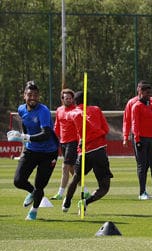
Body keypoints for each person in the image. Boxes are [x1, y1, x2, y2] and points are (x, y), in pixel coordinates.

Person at [10, 81, 59, 221]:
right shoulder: (21, 109)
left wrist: (25, 137)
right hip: (31, 150)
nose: (33, 97)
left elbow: (46, 134)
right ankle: (33, 192)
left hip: (49, 153)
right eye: (29, 94)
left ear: (38, 97)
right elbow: (25, 125)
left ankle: (34, 211)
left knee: (40, 184)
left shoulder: (43, 111)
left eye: (35, 95)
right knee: (18, 181)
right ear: (24, 95)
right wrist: (24, 140)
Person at [62, 91, 114, 215]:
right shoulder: (96, 110)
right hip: (98, 150)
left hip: (84, 152)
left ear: (75, 101)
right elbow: (106, 129)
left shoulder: (72, 113)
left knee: (75, 179)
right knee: (104, 187)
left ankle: (67, 202)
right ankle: (86, 202)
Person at [50, 88, 80, 200]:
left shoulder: (76, 110)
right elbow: (57, 125)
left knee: (65, 167)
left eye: (70, 98)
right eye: (65, 98)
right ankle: (85, 190)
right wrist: (54, 137)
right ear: (62, 99)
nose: (68, 100)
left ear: (73, 99)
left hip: (73, 142)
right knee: (72, 169)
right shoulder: (59, 110)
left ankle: (60, 193)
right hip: (62, 142)